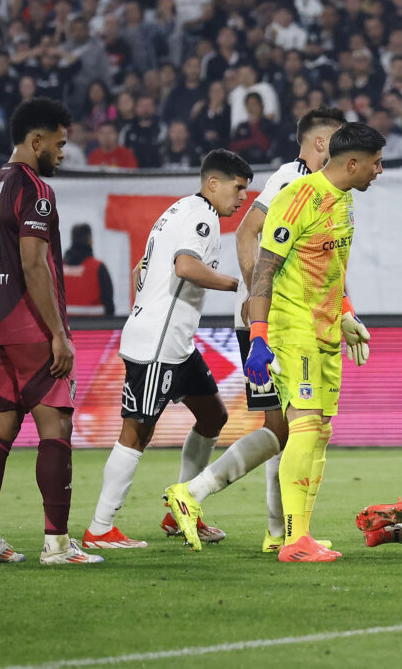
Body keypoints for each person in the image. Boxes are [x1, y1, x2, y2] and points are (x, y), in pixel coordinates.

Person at [167, 122, 384, 562]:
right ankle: (292, 539)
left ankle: (296, 535)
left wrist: (346, 315)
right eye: (376, 163)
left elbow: (331, 269)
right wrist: (260, 337)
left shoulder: (344, 204)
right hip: (292, 327)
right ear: (354, 162)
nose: (380, 171)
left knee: (317, 431)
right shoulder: (297, 194)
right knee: (299, 428)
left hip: (323, 329)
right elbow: (266, 268)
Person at [82, 149, 251, 550]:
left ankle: (182, 508)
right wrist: (237, 286)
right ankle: (100, 527)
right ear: (213, 183)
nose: (243, 197)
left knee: (213, 415)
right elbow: (185, 267)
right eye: (238, 187)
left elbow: (142, 268)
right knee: (137, 432)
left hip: (176, 342)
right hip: (156, 344)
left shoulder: (177, 210)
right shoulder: (202, 217)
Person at [0, 97, 102, 566]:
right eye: (60, 144)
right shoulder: (36, 189)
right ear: (37, 141)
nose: (63, 153)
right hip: (31, 327)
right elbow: (33, 263)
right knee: (56, 427)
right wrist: (58, 334)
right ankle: (57, 545)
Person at [219, 106, 346, 554]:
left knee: (288, 425)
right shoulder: (291, 181)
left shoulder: (325, 187)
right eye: (340, 141)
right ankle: (277, 528)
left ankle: (285, 531)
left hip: (292, 319)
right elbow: (246, 234)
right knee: (287, 425)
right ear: (319, 144)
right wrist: (263, 308)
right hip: (272, 320)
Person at [63, 223, 115, 317]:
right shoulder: (98, 267)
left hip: (65, 329)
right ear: (90, 240)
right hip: (94, 329)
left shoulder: (58, 267)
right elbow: (109, 307)